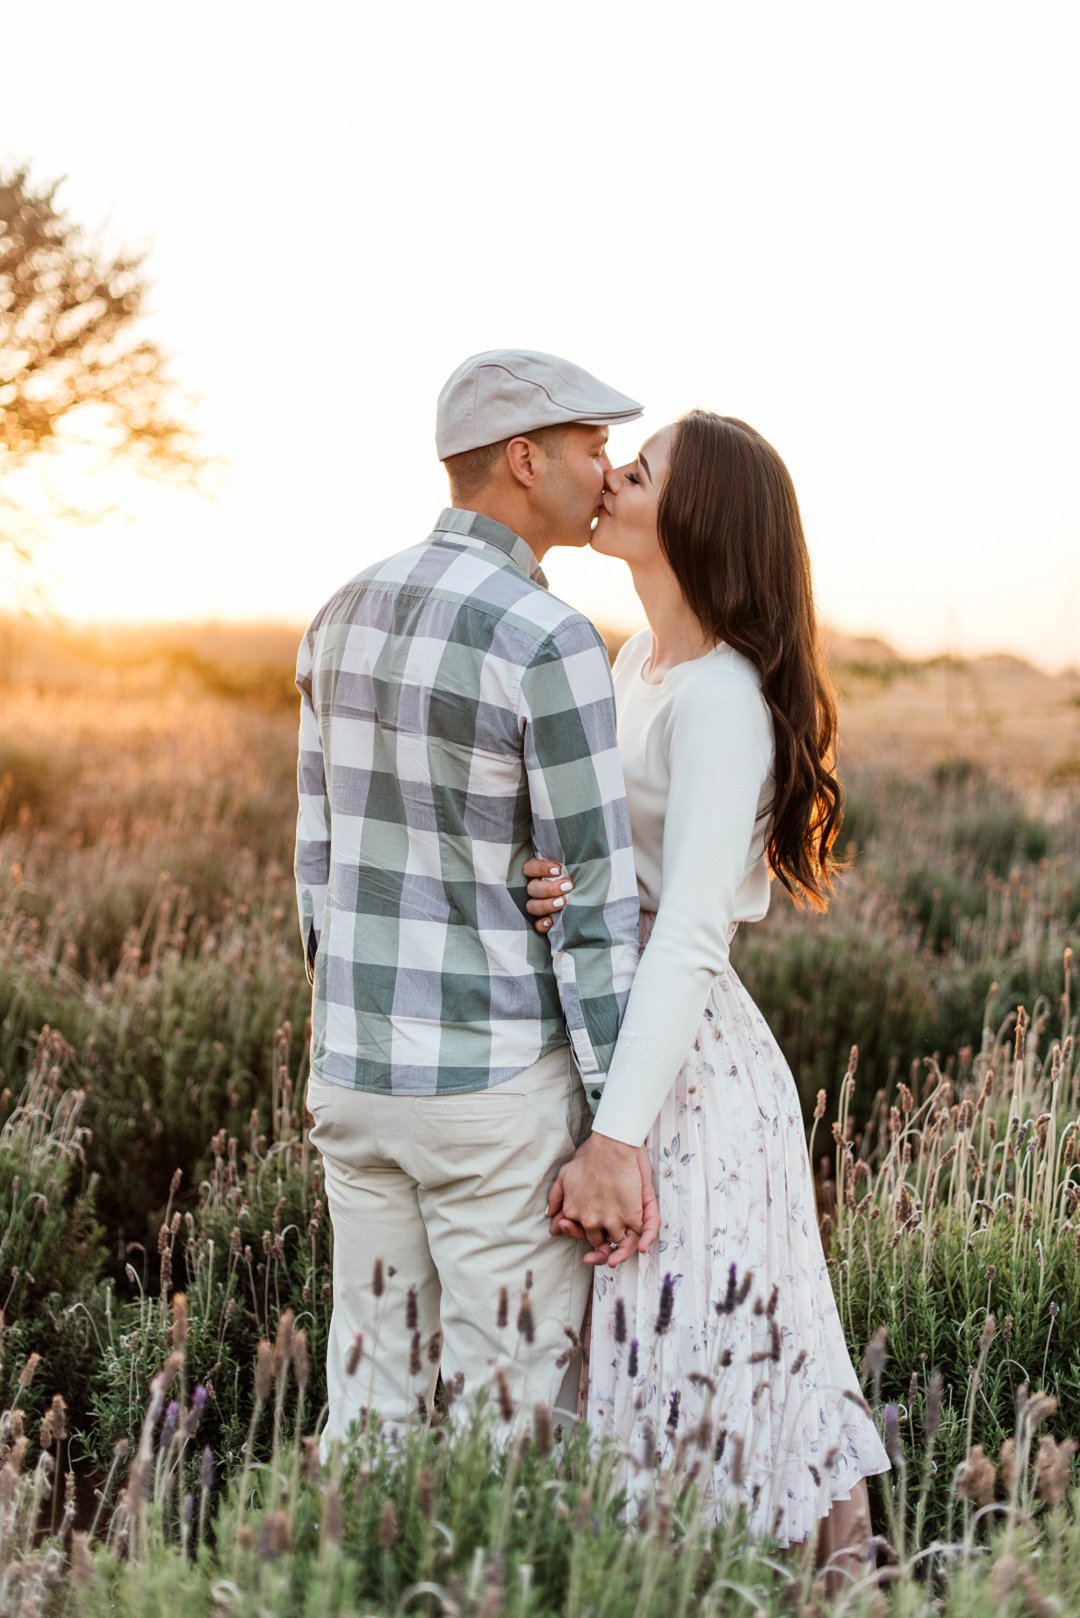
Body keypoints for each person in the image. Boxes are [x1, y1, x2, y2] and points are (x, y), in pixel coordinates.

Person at [522, 411, 890, 1554]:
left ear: (697, 516)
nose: (612, 477)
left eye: (641, 470)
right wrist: (567, 887)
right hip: (626, 1031)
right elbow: (631, 865)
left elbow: (686, 929)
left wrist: (619, 1137)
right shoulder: (640, 659)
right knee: (670, 1367)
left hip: (684, 1073)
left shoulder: (723, 693)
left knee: (731, 1366)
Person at [294, 349, 659, 1444]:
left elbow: (318, 863)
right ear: (522, 460)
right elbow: (591, 901)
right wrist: (615, 1121)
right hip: (492, 1088)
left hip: (352, 1070)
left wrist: (345, 1023)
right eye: (593, 448)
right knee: (511, 1411)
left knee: (371, 1403)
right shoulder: (548, 639)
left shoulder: (338, 610)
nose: (606, 471)